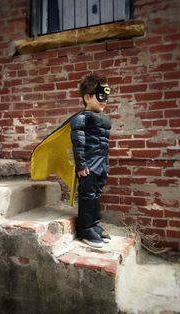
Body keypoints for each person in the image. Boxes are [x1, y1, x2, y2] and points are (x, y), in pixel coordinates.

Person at [70, 73, 112, 248]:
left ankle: (94, 224)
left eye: (107, 97)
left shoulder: (103, 119)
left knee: (96, 195)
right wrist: (81, 164)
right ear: (87, 97)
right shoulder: (81, 118)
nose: (105, 101)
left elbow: (105, 147)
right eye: (101, 96)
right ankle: (85, 228)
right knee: (87, 195)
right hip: (88, 165)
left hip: (101, 165)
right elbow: (78, 143)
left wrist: (106, 165)